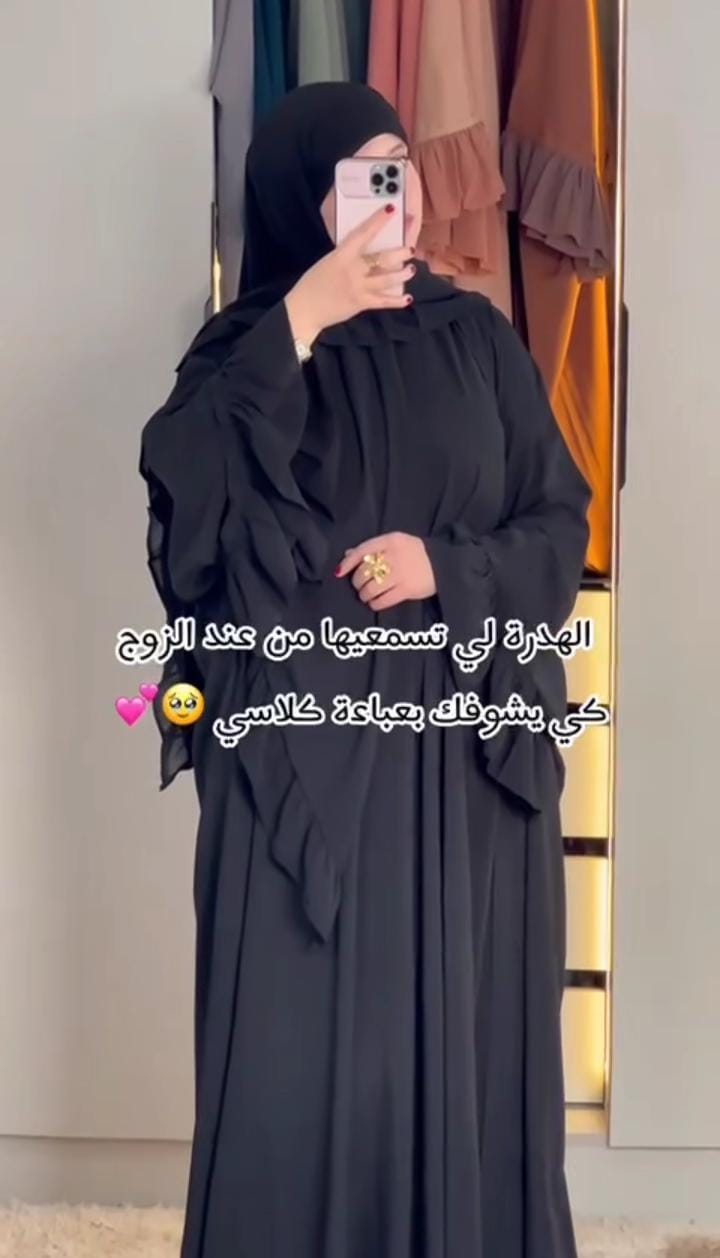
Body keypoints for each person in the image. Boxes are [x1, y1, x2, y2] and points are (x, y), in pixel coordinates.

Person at [139, 81, 591, 1258]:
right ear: (304, 196)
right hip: (304, 767)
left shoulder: (476, 339)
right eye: (365, 172)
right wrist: (304, 316)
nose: (400, 193)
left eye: (404, 163)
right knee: (294, 1051)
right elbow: (195, 514)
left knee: (458, 1041)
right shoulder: (247, 349)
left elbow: (557, 521)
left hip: (458, 762)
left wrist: (448, 566)